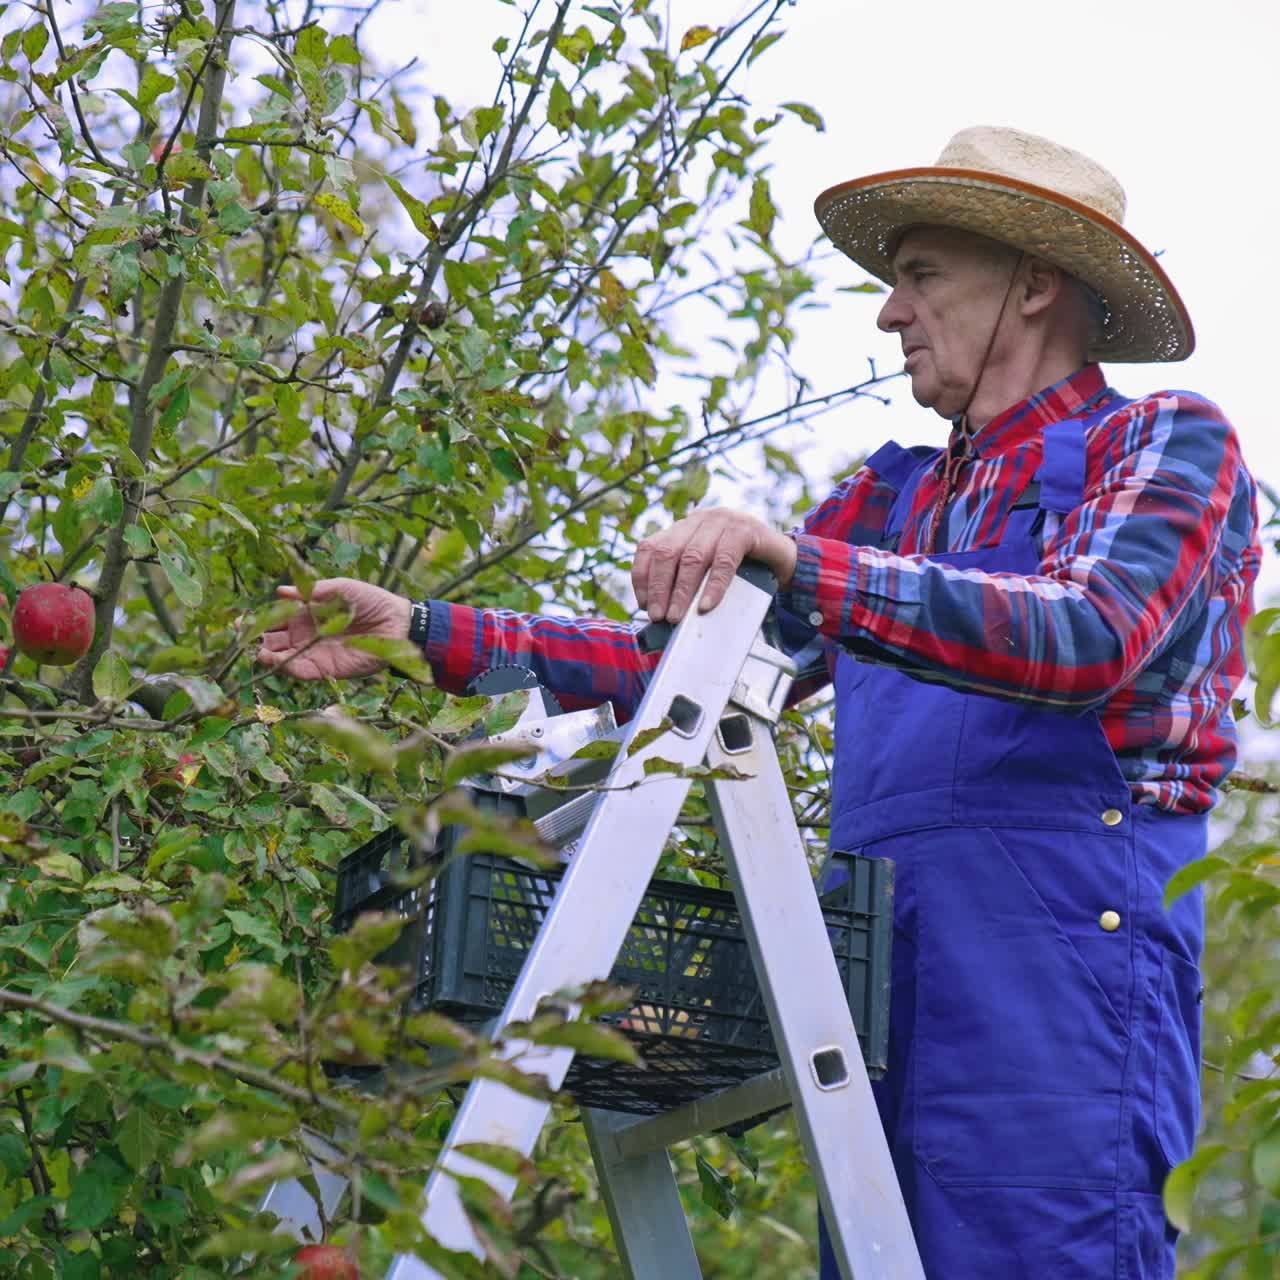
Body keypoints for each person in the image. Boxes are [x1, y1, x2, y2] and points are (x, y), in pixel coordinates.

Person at [257, 126, 1261, 1279]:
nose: (888, 312)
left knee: (1047, 1248)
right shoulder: (892, 503)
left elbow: (1083, 633)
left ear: (1033, 284)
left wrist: (792, 559)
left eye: (919, 275)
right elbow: (681, 660)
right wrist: (427, 632)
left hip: (1059, 987)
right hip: (890, 969)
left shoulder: (1160, 440)